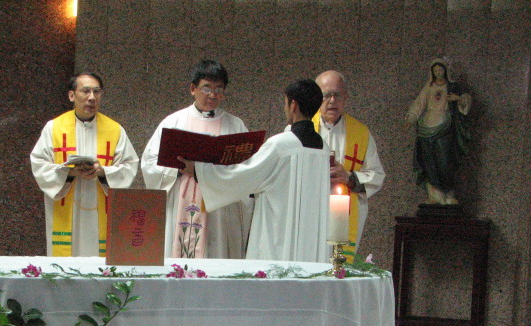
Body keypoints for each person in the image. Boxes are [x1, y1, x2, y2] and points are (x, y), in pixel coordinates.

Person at [179, 79, 329, 262]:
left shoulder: (281, 145)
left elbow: (242, 176)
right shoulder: (324, 148)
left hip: (280, 236)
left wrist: (198, 171)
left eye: (285, 103)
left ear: (293, 105)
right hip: (311, 238)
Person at [141, 60, 252, 259]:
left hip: (218, 206)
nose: (213, 95)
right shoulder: (174, 122)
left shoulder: (235, 126)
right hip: (181, 197)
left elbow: (246, 169)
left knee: (216, 252)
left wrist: (208, 171)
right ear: (193, 89)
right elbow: (149, 163)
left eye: (219, 89)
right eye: (207, 88)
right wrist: (178, 168)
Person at [30, 72, 139, 257]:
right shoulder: (54, 127)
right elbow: (39, 163)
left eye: (97, 92)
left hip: (100, 209)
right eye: (86, 91)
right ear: (72, 95)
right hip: (67, 208)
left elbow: (129, 165)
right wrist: (70, 173)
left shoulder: (115, 129)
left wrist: (103, 171)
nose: (92, 97)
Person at [313, 70, 385, 258]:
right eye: (326, 95)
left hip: (345, 214)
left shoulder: (360, 133)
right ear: (316, 97)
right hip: (309, 211)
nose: (332, 101)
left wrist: (349, 178)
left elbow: (376, 175)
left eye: (337, 95)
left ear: (346, 97)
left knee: (339, 265)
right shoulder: (300, 130)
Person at [406, 58, 471, 205]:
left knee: (445, 161)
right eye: (435, 71)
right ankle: (435, 196)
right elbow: (419, 104)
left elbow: (466, 101)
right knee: (429, 162)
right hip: (427, 128)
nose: (438, 73)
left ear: (445, 71)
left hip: (445, 127)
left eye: (440, 70)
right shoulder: (428, 87)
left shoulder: (452, 86)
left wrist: (458, 99)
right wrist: (410, 119)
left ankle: (448, 194)